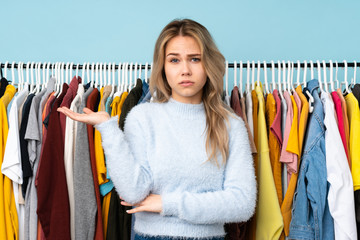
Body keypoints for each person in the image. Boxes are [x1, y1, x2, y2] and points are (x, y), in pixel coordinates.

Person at [58, 18, 256, 240]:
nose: (185, 70)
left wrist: (167, 203)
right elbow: (133, 192)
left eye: (195, 59)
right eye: (174, 60)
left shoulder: (230, 125)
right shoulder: (142, 118)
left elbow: (242, 203)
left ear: (208, 64)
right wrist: (108, 129)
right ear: (162, 66)